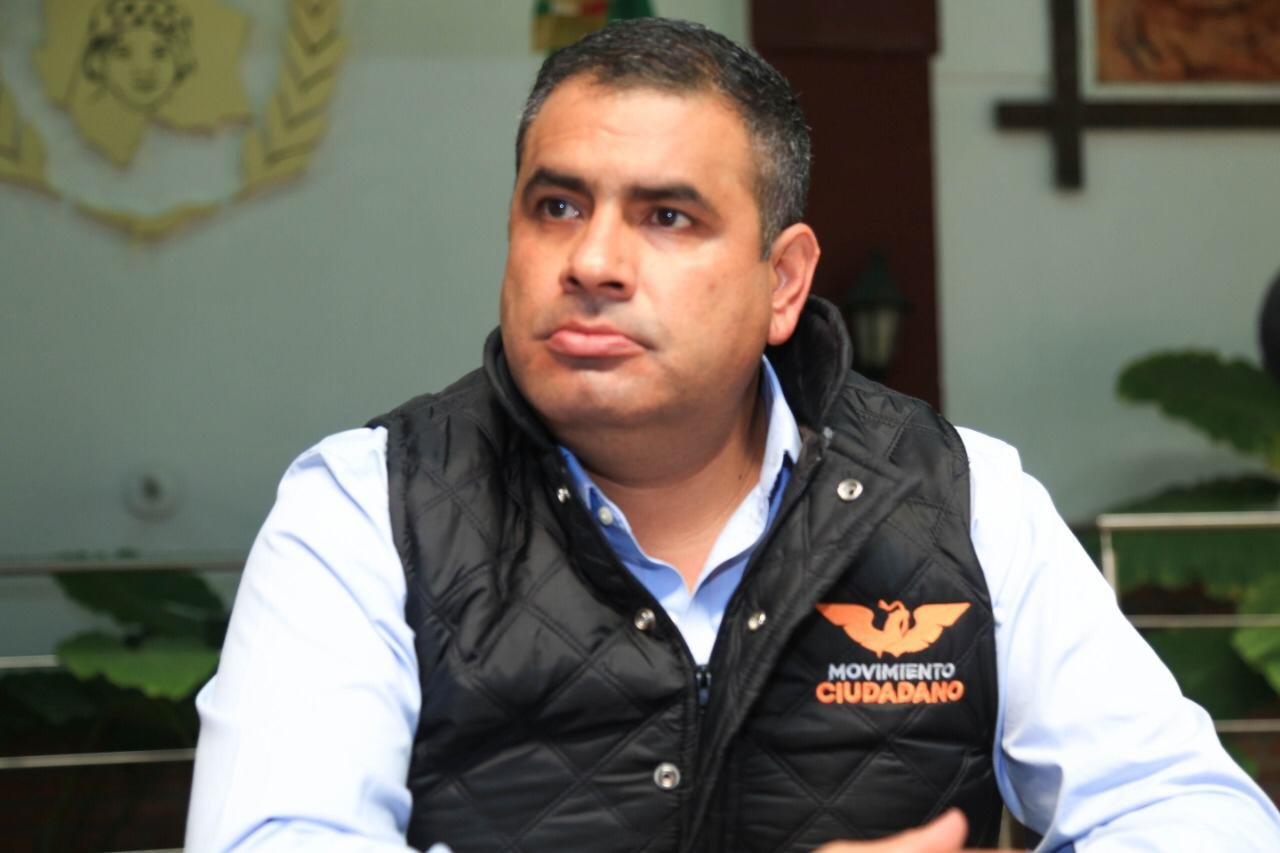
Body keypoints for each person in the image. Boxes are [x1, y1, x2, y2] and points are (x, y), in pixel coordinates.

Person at [185, 17, 1280, 852]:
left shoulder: (958, 499)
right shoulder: (367, 508)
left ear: (783, 281)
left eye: (667, 216)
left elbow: (1187, 808)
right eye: (556, 206)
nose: (592, 262)